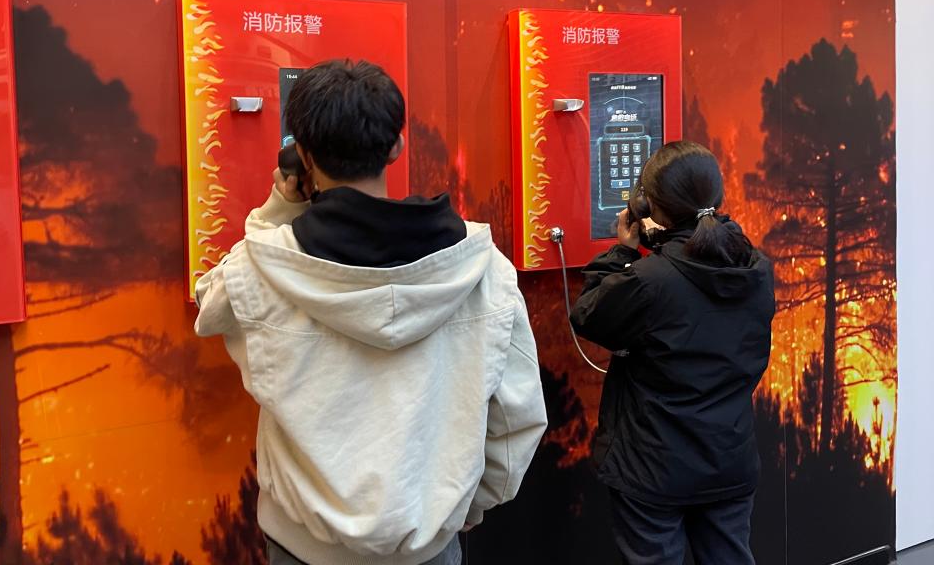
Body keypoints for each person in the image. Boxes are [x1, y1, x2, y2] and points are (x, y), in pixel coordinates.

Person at [194, 60, 547, 565]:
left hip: (301, 548)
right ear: (396, 146)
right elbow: (517, 417)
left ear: (303, 155)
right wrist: (466, 506)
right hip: (430, 548)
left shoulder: (262, 266)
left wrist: (277, 211)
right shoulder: (483, 267)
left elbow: (209, 304)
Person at [570, 140, 775, 565]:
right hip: (729, 459)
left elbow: (588, 314)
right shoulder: (756, 268)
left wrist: (623, 251)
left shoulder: (649, 280)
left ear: (649, 206)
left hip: (653, 468)